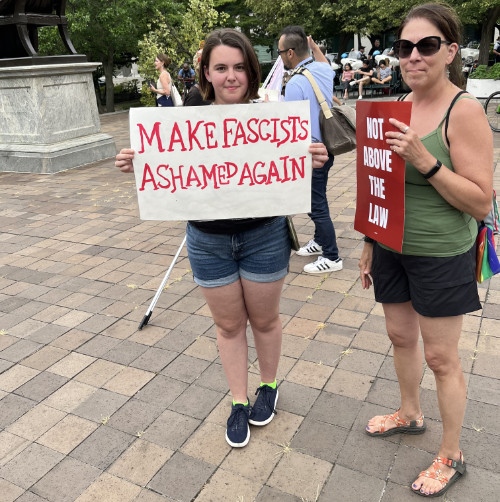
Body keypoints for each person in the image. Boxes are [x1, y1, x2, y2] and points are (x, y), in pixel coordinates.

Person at [115, 28, 329, 448]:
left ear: (250, 72)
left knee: (265, 320)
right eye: (221, 68)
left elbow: (303, 156)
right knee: (228, 326)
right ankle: (237, 400)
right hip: (208, 241)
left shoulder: (273, 113)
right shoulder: (189, 113)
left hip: (264, 235)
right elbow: (169, 160)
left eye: (239, 67)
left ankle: (267, 386)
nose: (231, 76)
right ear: (207, 74)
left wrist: (315, 156)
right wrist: (137, 158)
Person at [359, 3, 493, 498]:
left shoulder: (465, 110)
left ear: (450, 51)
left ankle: (452, 452)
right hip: (392, 244)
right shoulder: (396, 103)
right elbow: (379, 182)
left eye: (427, 46)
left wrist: (426, 160)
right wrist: (370, 242)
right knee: (399, 335)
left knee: (441, 356)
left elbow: (481, 201)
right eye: (403, 47)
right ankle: (410, 413)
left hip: (441, 251)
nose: (413, 56)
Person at [279, 25, 343, 274]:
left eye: (281, 52)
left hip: (310, 152)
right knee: (318, 198)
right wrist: (313, 45)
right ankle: (319, 241)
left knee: (314, 204)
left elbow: (292, 126)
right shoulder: (324, 70)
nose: (280, 56)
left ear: (291, 53)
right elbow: (322, 59)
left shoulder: (295, 83)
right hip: (328, 146)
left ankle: (332, 256)